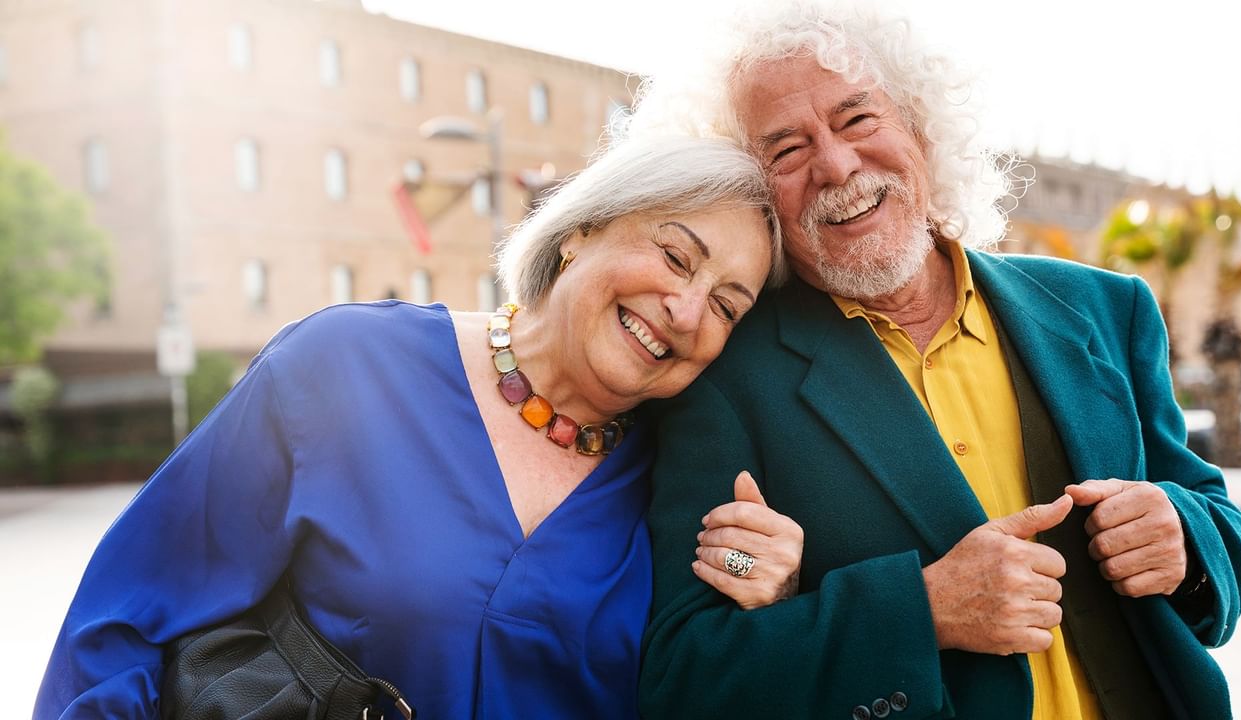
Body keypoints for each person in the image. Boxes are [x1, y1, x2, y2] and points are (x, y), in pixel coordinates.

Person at [628, 3, 1241, 719]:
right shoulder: (723, 380)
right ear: (753, 195)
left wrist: (1185, 535)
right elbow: (685, 677)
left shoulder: (1105, 308)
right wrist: (922, 610)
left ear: (922, 130)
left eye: (858, 119)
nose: (836, 164)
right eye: (786, 150)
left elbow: (1225, 532)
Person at [33, 135, 804, 720]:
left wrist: (772, 601)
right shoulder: (345, 365)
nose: (687, 309)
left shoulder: (681, 479)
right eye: (675, 255)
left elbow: (700, 682)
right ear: (582, 229)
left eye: (727, 305)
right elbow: (125, 615)